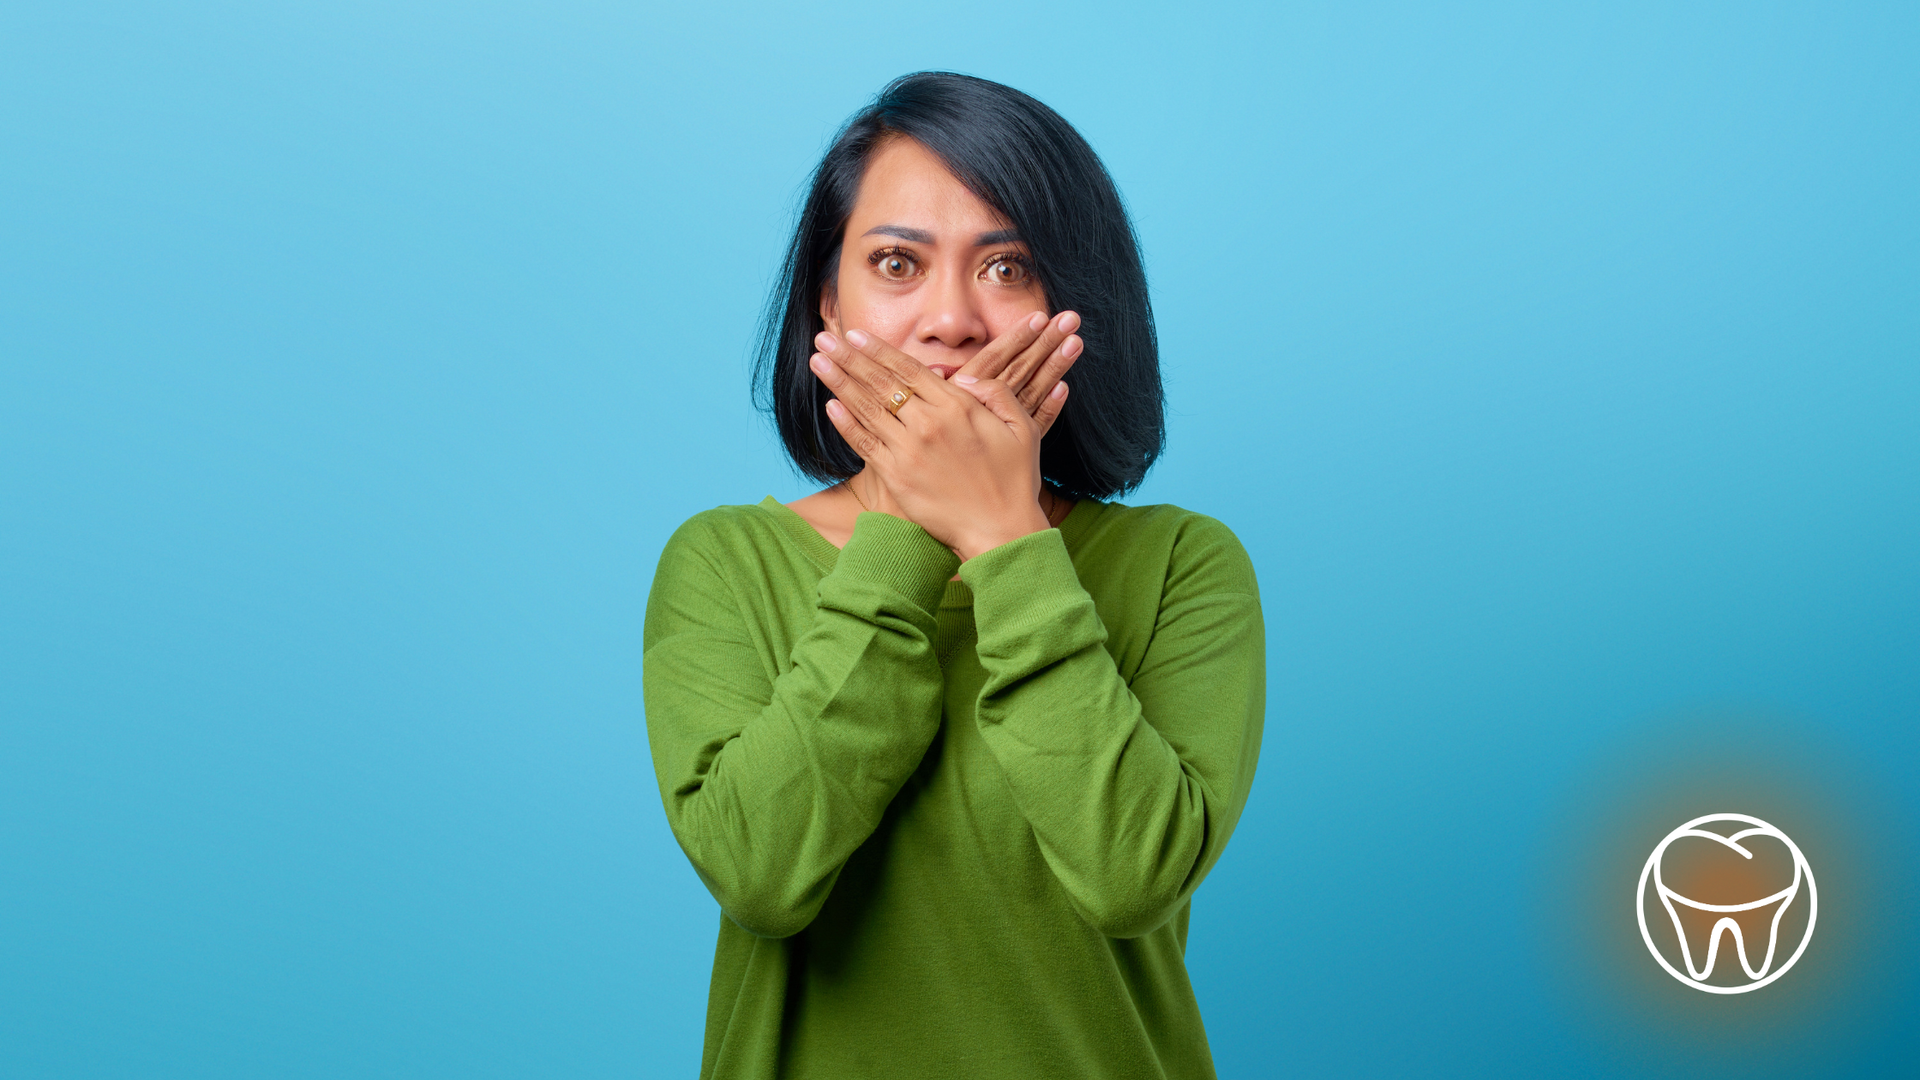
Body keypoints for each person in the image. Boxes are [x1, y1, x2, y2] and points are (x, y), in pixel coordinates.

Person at [644, 71, 1265, 1080]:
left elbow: (1132, 873)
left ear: (1073, 303)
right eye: (896, 263)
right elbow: (761, 871)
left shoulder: (1183, 566)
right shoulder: (722, 562)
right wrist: (907, 529)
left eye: (1009, 267)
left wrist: (1007, 540)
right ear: (826, 305)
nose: (952, 321)